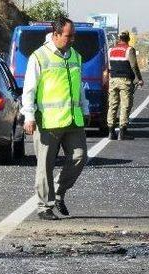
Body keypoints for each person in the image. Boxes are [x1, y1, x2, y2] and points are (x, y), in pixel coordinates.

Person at [21, 17, 90, 221]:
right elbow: (29, 89)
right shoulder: (39, 57)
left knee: (80, 157)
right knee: (45, 166)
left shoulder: (75, 57)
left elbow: (80, 88)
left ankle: (58, 192)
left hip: (72, 121)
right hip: (47, 122)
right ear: (56, 34)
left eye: (73, 36)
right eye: (69, 36)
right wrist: (29, 116)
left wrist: (85, 109)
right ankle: (44, 206)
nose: (72, 40)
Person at [106, 31, 144, 140]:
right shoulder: (129, 50)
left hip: (113, 80)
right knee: (125, 105)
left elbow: (109, 67)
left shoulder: (111, 50)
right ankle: (122, 133)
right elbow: (134, 66)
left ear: (119, 39)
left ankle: (111, 132)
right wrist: (139, 79)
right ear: (128, 39)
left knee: (112, 105)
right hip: (125, 81)